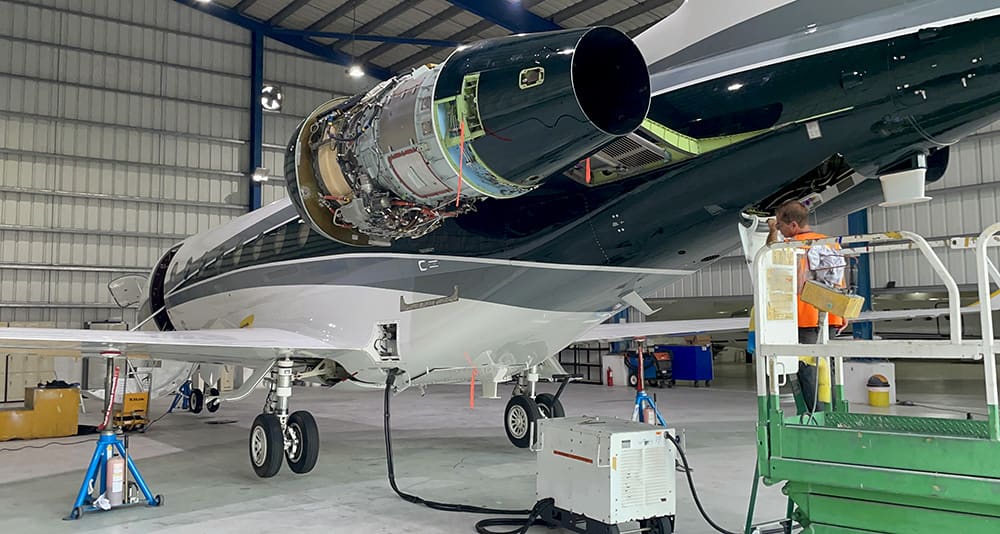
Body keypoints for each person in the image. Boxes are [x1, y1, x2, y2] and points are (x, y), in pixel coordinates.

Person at [766, 200, 845, 413]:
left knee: (807, 369)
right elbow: (838, 279)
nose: (780, 231)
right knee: (826, 369)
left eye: (781, 226)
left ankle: (814, 415)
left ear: (793, 225)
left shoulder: (793, 247)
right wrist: (842, 314)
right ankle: (833, 411)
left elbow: (770, 258)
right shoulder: (830, 243)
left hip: (804, 317)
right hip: (830, 314)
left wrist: (771, 231)